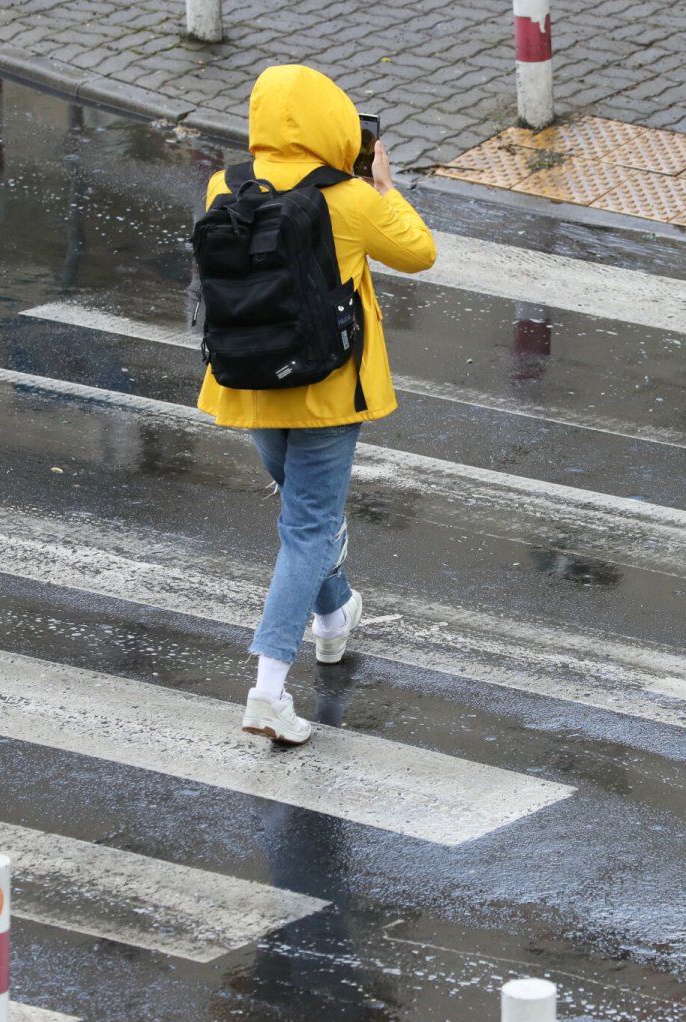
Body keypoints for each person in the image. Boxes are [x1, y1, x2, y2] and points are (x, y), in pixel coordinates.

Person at [197, 64, 437, 745]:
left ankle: (334, 618)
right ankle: (267, 694)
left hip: (247, 378)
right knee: (308, 529)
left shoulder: (225, 185)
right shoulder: (350, 200)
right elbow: (419, 253)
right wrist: (383, 188)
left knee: (304, 512)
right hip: (328, 389)